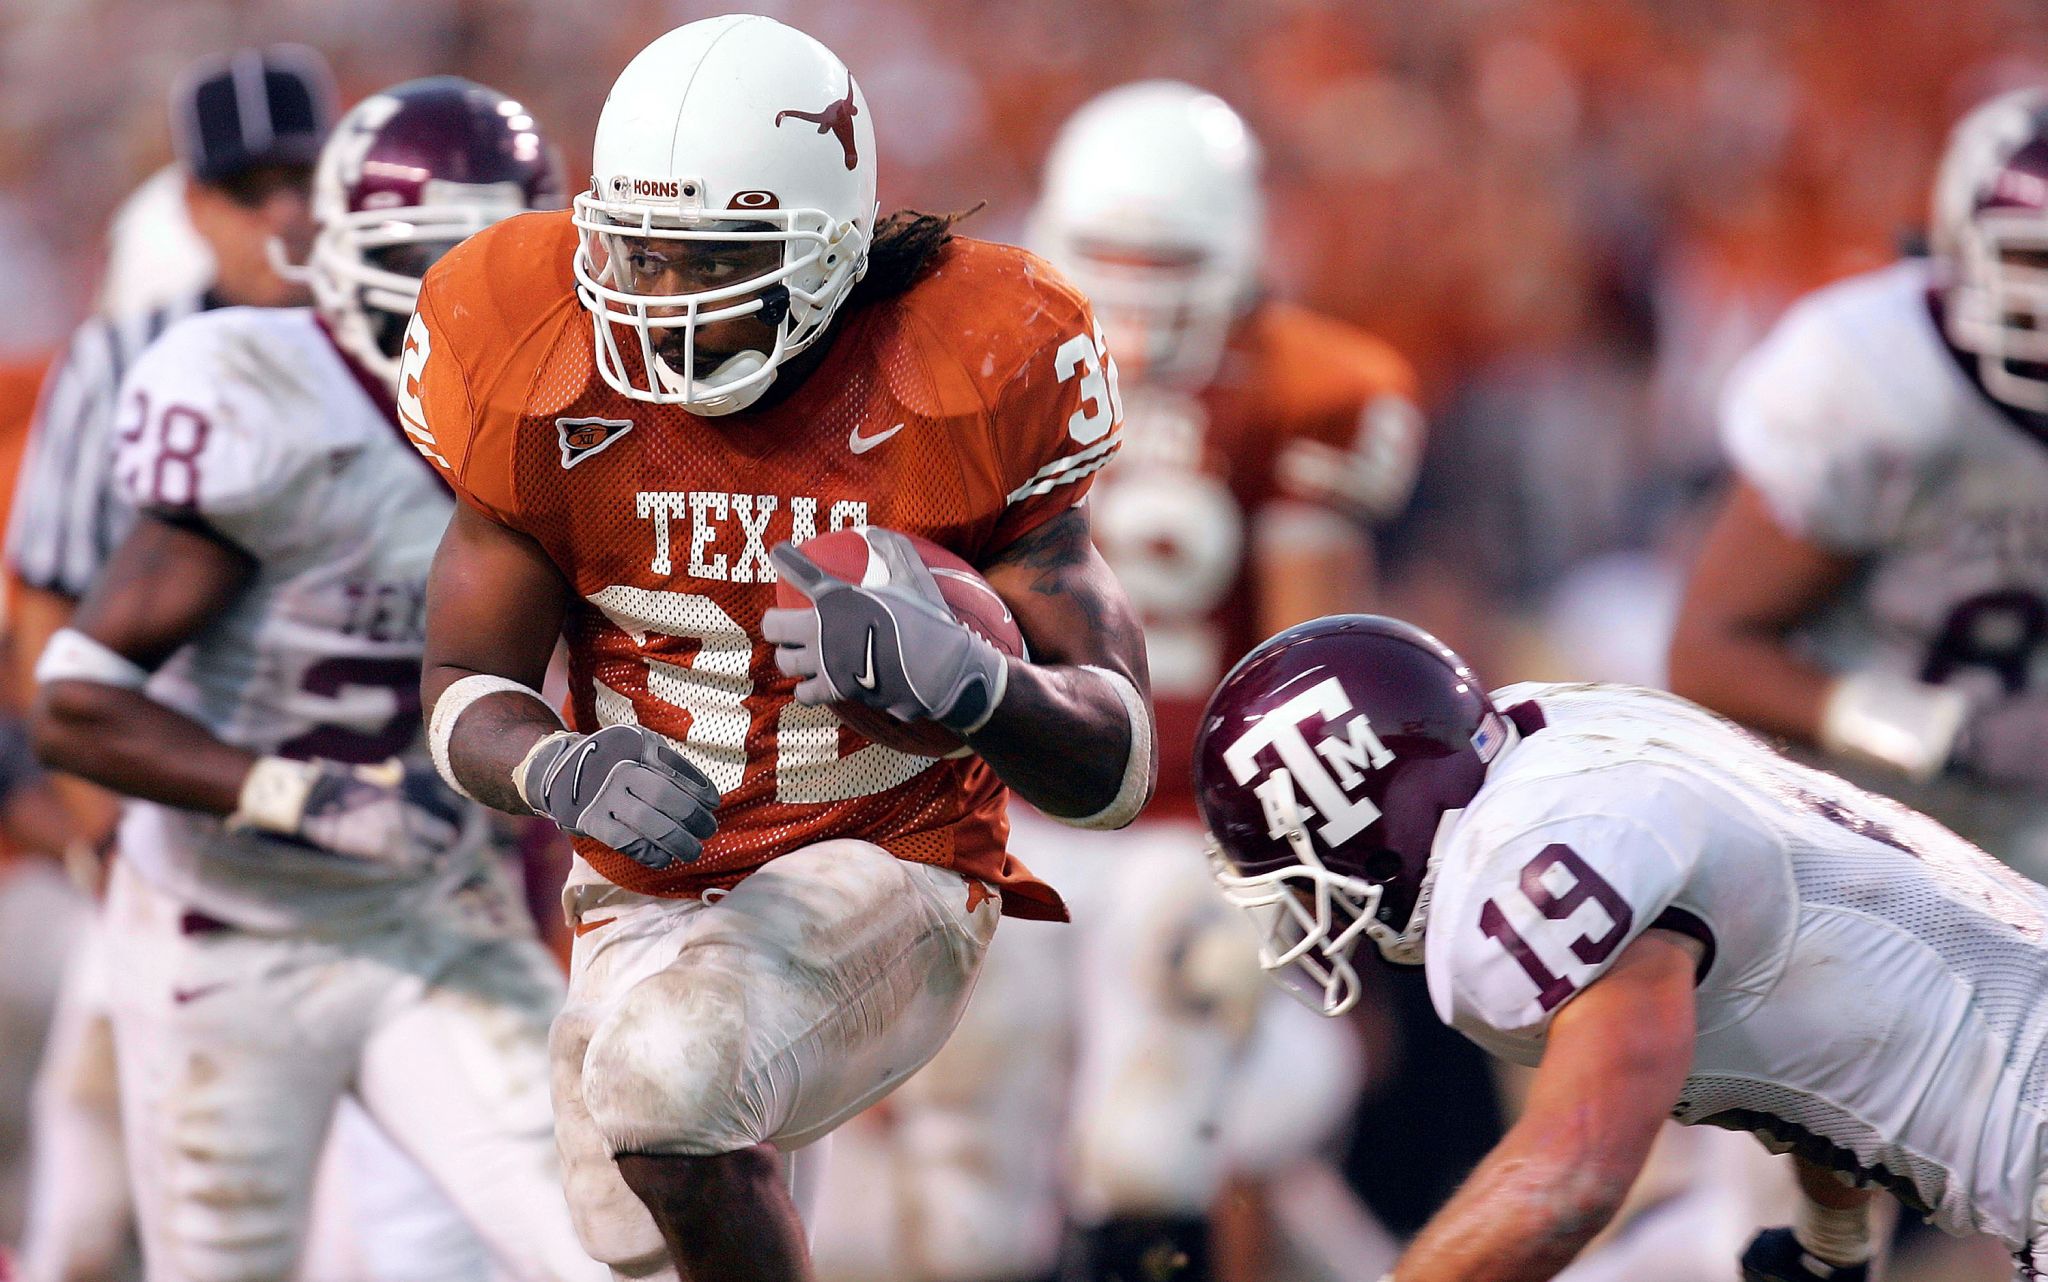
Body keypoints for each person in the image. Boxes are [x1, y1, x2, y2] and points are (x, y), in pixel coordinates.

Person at [408, 15, 1154, 1282]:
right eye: (637, 253)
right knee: (627, 1229)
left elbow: (1118, 762)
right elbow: (458, 685)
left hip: (892, 859)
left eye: (707, 258)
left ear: (826, 244)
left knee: (667, 1092)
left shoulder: (970, 358)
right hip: (642, 886)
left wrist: (979, 688)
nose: (659, 297)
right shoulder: (529, 348)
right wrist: (554, 770)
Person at [812, 81, 1415, 1282]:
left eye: (1166, 259)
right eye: (1119, 258)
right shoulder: (1292, 376)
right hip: (1056, 809)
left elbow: (1299, 656)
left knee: (1126, 1151)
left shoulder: (1006, 361)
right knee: (997, 1160)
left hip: (1144, 817)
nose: (1142, 299)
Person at [27, 78, 600, 1282]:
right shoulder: (260, 396)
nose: (455, 299)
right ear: (340, 254)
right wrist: (295, 793)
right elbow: (75, 698)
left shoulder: (564, 417)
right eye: (421, 260)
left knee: (603, 1244)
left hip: (433, 913)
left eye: (490, 262)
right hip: (227, 929)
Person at [1197, 613, 2048, 1281]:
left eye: (1296, 878)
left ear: (1366, 837)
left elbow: (1569, 1177)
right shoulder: (1567, 734)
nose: (1301, 910)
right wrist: (1832, 1232)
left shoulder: (1526, 876)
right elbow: (1821, 1012)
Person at [6, 48, 336, 1282]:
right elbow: (44, 609)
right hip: (173, 832)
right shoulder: (121, 359)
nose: (285, 213)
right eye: (251, 188)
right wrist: (107, 834)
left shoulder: (397, 348)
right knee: (106, 1201)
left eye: (302, 178)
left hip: (367, 853)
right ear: (196, 207)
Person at [1669, 87, 2048, 881]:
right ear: (1963, 246)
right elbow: (1708, 650)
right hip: (1865, 838)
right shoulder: (1879, 379)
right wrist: (1933, 730)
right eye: (2038, 258)